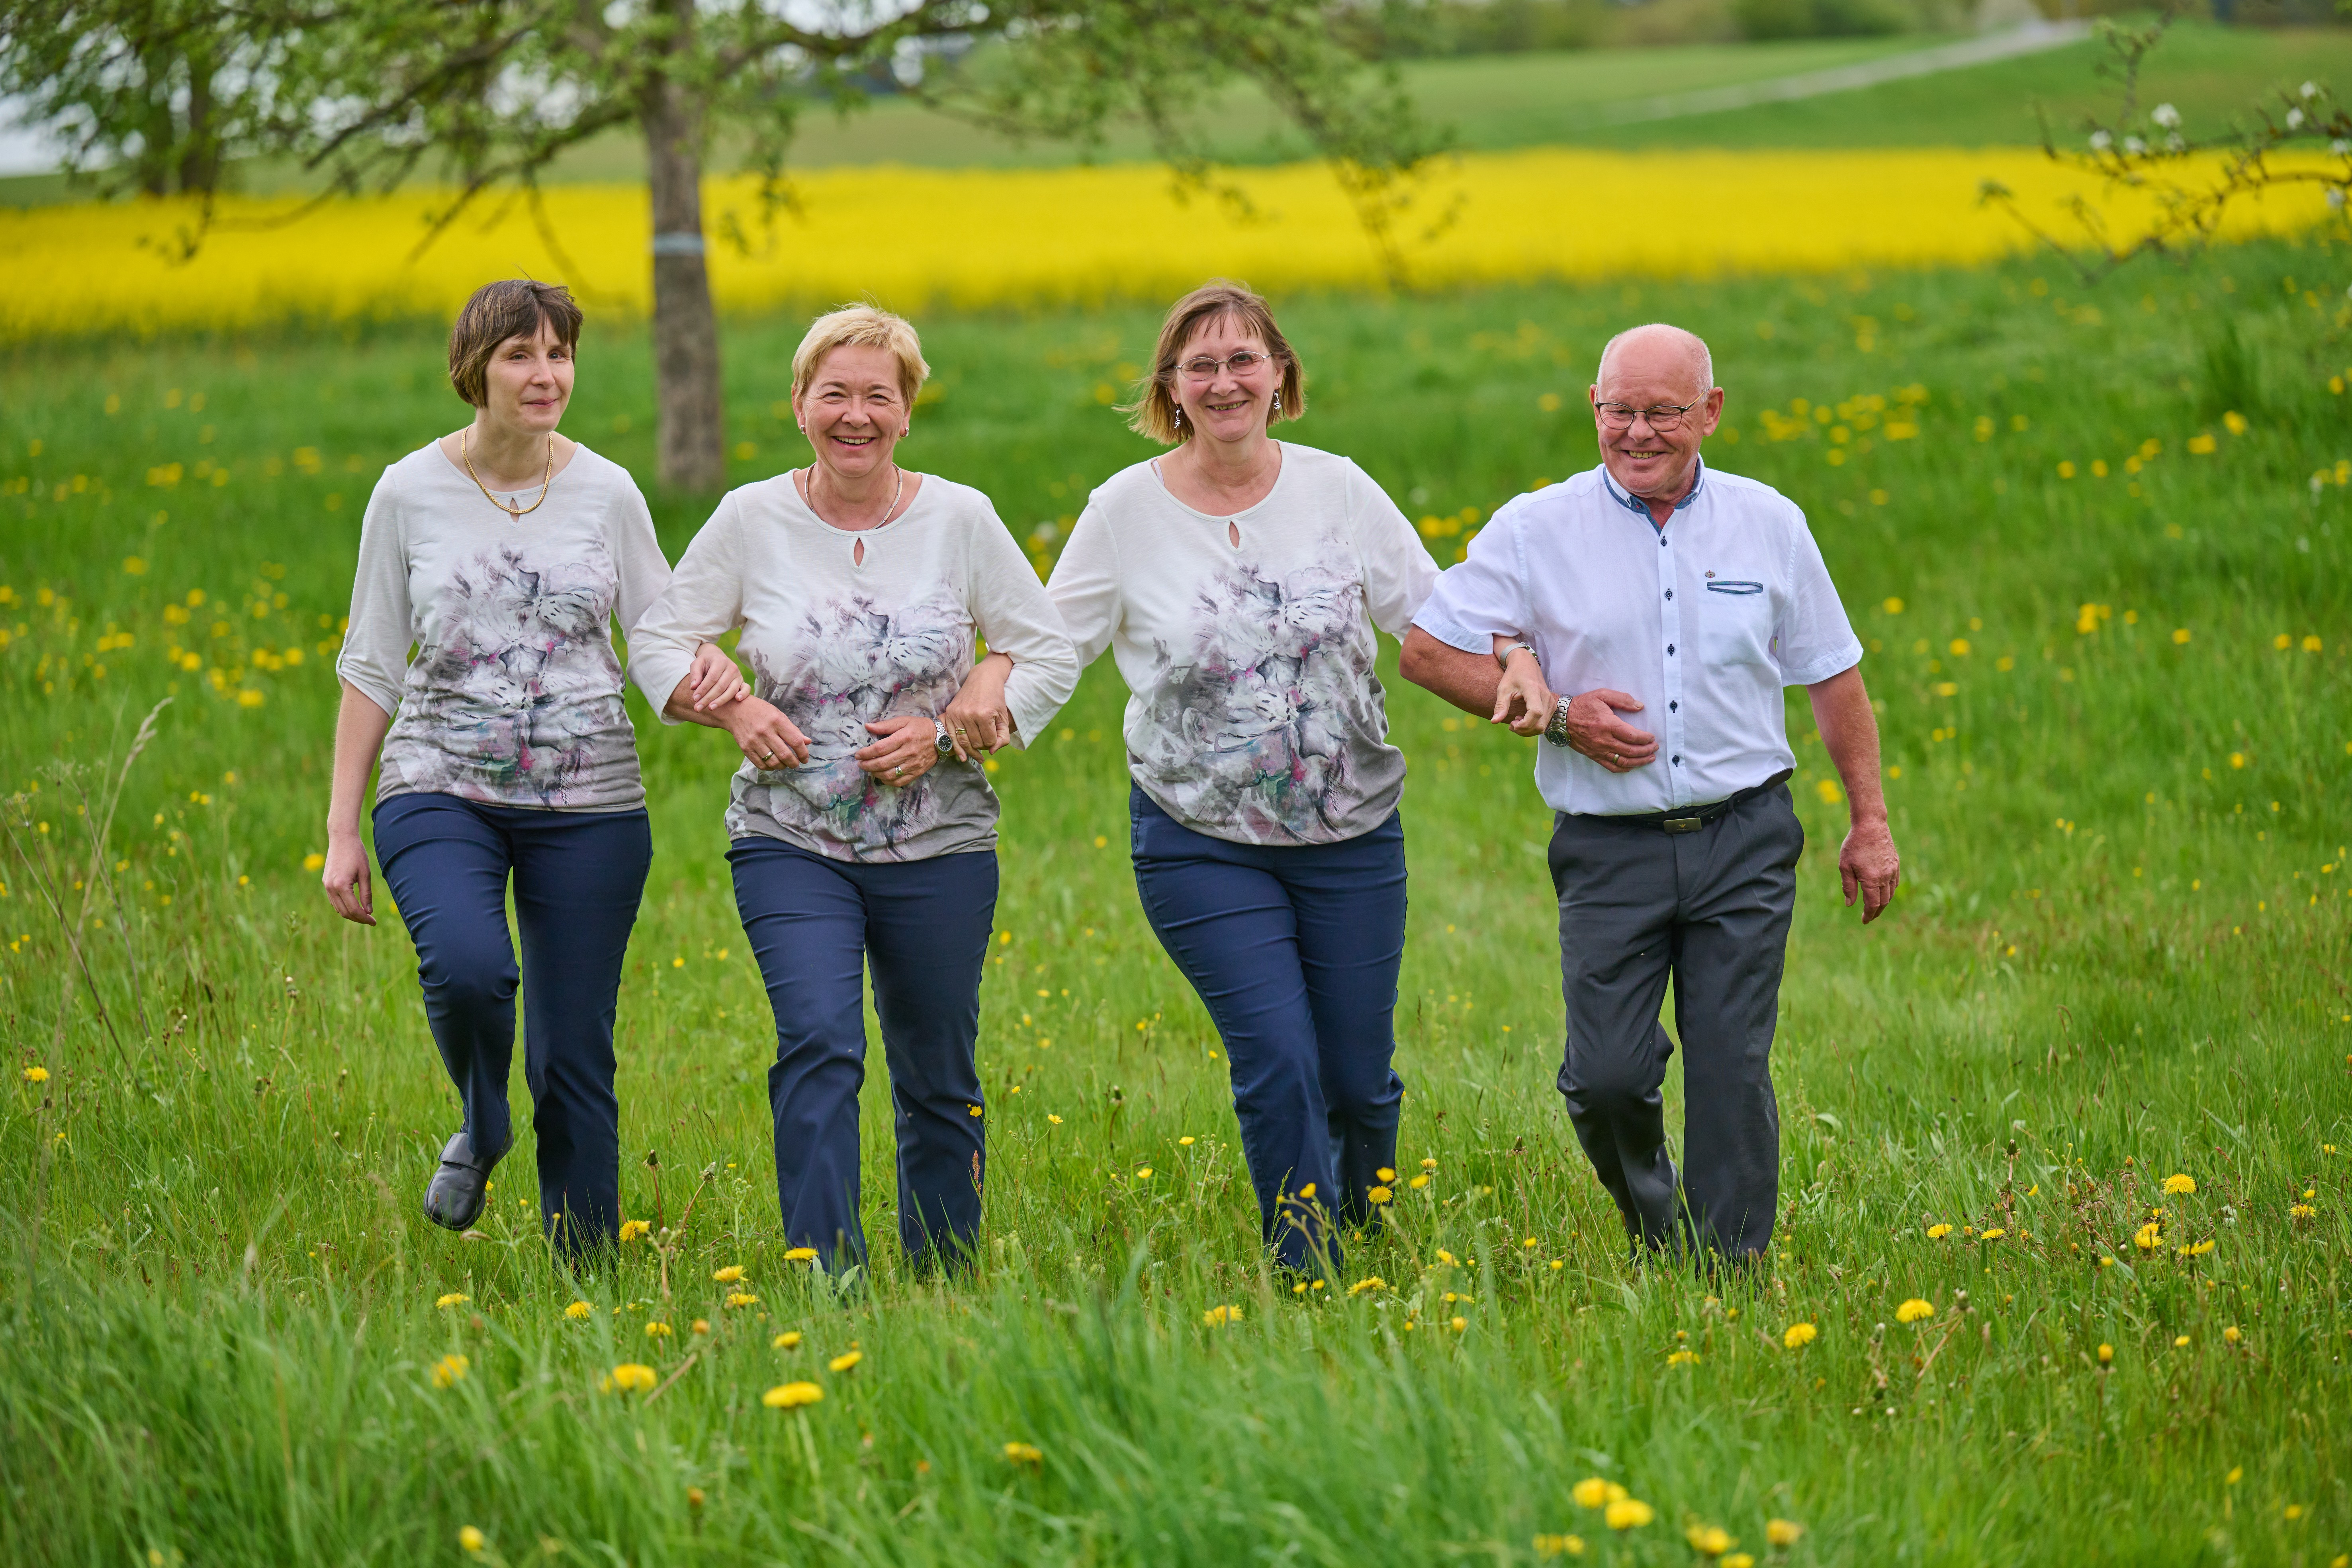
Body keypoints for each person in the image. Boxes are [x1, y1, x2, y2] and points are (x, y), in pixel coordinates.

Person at [1399, 322, 1899, 1266]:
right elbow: (1426, 651)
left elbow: (1833, 680)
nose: (1637, 433)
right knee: (1606, 1079)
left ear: (1709, 413)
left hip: (1743, 837)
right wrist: (1553, 715)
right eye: (1618, 412)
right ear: (1593, 409)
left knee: (1729, 1069)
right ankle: (1657, 1229)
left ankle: (1730, 1277)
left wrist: (1869, 821)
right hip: (1608, 846)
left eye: (1662, 413)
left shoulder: (1770, 524)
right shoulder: (1535, 528)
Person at [628, 305, 1078, 1274]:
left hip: (941, 844)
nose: (856, 415)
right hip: (789, 837)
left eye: (880, 394)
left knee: (936, 1067)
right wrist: (734, 709)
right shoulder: (752, 518)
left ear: (908, 411)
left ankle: (945, 1272)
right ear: (799, 404)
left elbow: (1044, 647)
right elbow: (662, 636)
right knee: (820, 1040)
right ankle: (824, 1274)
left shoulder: (960, 518)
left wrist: (958, 724)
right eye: (834, 392)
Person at [322, 278, 742, 1256]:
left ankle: (587, 1272)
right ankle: (484, 1118)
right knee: (468, 970)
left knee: (572, 1053)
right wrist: (343, 828)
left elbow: (656, 638)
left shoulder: (606, 489)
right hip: (437, 782)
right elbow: (373, 660)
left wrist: (719, 687)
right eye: (521, 354)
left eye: (558, 354)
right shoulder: (407, 490)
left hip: (590, 798)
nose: (544, 374)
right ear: (475, 368)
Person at [1047, 280, 1438, 1273]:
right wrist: (960, 723)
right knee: (1278, 1058)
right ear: (1172, 389)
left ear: (1280, 376)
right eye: (1200, 365)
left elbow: (1436, 616)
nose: (1224, 381)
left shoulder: (1339, 488)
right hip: (1198, 837)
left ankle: (1366, 1235)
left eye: (1242, 360)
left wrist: (1535, 676)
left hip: (1352, 830)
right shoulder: (1122, 510)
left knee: (1358, 1077)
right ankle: (1305, 1267)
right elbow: (1052, 649)